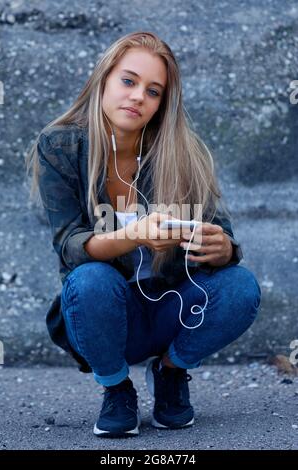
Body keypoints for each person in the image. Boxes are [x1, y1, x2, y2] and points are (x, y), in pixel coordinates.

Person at [26, 31, 261, 438]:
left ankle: (171, 372)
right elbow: (70, 247)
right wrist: (133, 235)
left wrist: (223, 249)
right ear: (103, 79)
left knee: (241, 286)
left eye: (153, 92)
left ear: (162, 104)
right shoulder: (61, 146)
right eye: (128, 81)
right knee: (88, 280)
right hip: (105, 318)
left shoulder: (181, 152)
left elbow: (222, 237)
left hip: (174, 310)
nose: (138, 97)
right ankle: (117, 388)